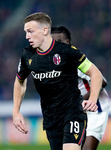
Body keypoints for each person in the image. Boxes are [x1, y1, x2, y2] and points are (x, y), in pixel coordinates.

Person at [12, 12, 105, 150]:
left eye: (30, 31)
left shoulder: (67, 52)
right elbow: (20, 81)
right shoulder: (27, 55)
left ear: (45, 30)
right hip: (51, 118)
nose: (27, 36)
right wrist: (16, 111)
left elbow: (95, 73)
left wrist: (92, 99)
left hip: (73, 112)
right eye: (26, 32)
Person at [51, 26, 110, 150]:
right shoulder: (52, 65)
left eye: (59, 42)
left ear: (68, 43)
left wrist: (81, 99)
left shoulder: (75, 60)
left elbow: (102, 81)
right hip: (74, 112)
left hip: (95, 109)